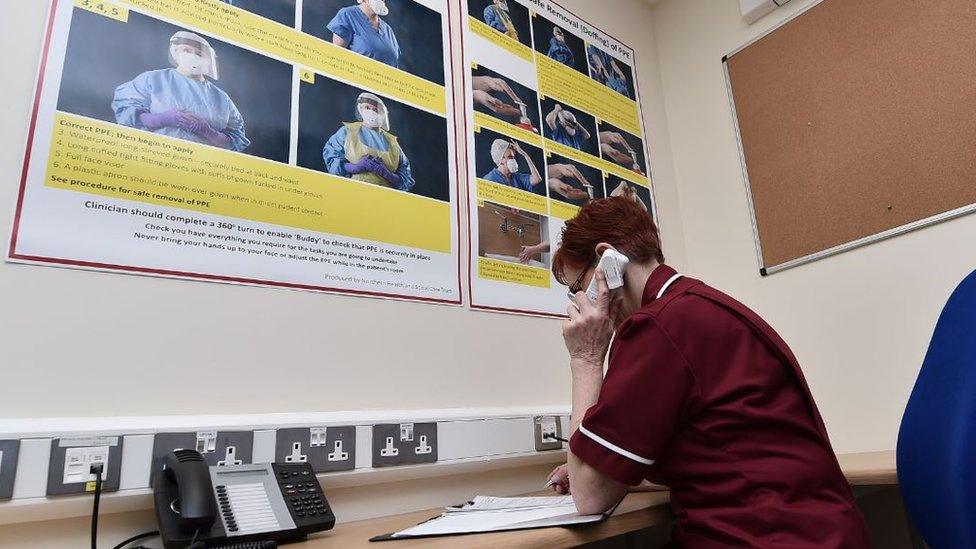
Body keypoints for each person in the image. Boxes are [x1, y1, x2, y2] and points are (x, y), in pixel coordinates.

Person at [547, 198, 871, 547]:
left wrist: (586, 358)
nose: (580, 302)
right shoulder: (700, 306)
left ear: (607, 261)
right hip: (819, 531)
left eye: (578, 287)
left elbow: (589, 497)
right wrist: (601, 465)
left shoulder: (657, 327)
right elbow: (718, 452)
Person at [112, 31, 249, 152]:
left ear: (209, 61)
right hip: (153, 157)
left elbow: (235, 140)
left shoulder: (221, 98)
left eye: (199, 53)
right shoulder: (153, 79)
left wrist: (208, 132)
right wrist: (162, 119)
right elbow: (125, 110)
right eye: (186, 50)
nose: (192, 56)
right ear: (175, 52)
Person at [322, 92, 415, 192]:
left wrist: (386, 173)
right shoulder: (347, 132)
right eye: (367, 107)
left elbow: (405, 178)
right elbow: (332, 157)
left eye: (375, 110)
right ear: (360, 109)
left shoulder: (393, 144)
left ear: (383, 115)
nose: (371, 112)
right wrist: (355, 168)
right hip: (352, 193)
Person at [328, 0, 400, 68]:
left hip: (387, 80)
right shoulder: (348, 15)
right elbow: (337, 57)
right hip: (357, 79)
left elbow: (394, 60)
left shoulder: (388, 29)